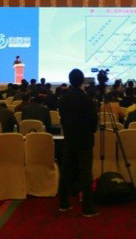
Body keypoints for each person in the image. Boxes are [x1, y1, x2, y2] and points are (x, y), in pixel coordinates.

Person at [57, 68, 98, 217]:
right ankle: (88, 208)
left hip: (69, 139)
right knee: (85, 173)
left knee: (66, 171)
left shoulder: (63, 99)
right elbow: (93, 124)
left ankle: (63, 203)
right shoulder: (87, 99)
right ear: (82, 81)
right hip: (84, 140)